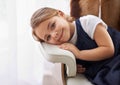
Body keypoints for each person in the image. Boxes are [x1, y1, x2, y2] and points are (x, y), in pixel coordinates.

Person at [30, 7, 120, 85]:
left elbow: (109, 50)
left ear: (61, 14)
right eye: (48, 37)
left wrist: (79, 54)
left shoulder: (87, 23)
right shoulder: (64, 47)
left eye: (53, 25)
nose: (54, 35)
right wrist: (74, 66)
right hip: (102, 70)